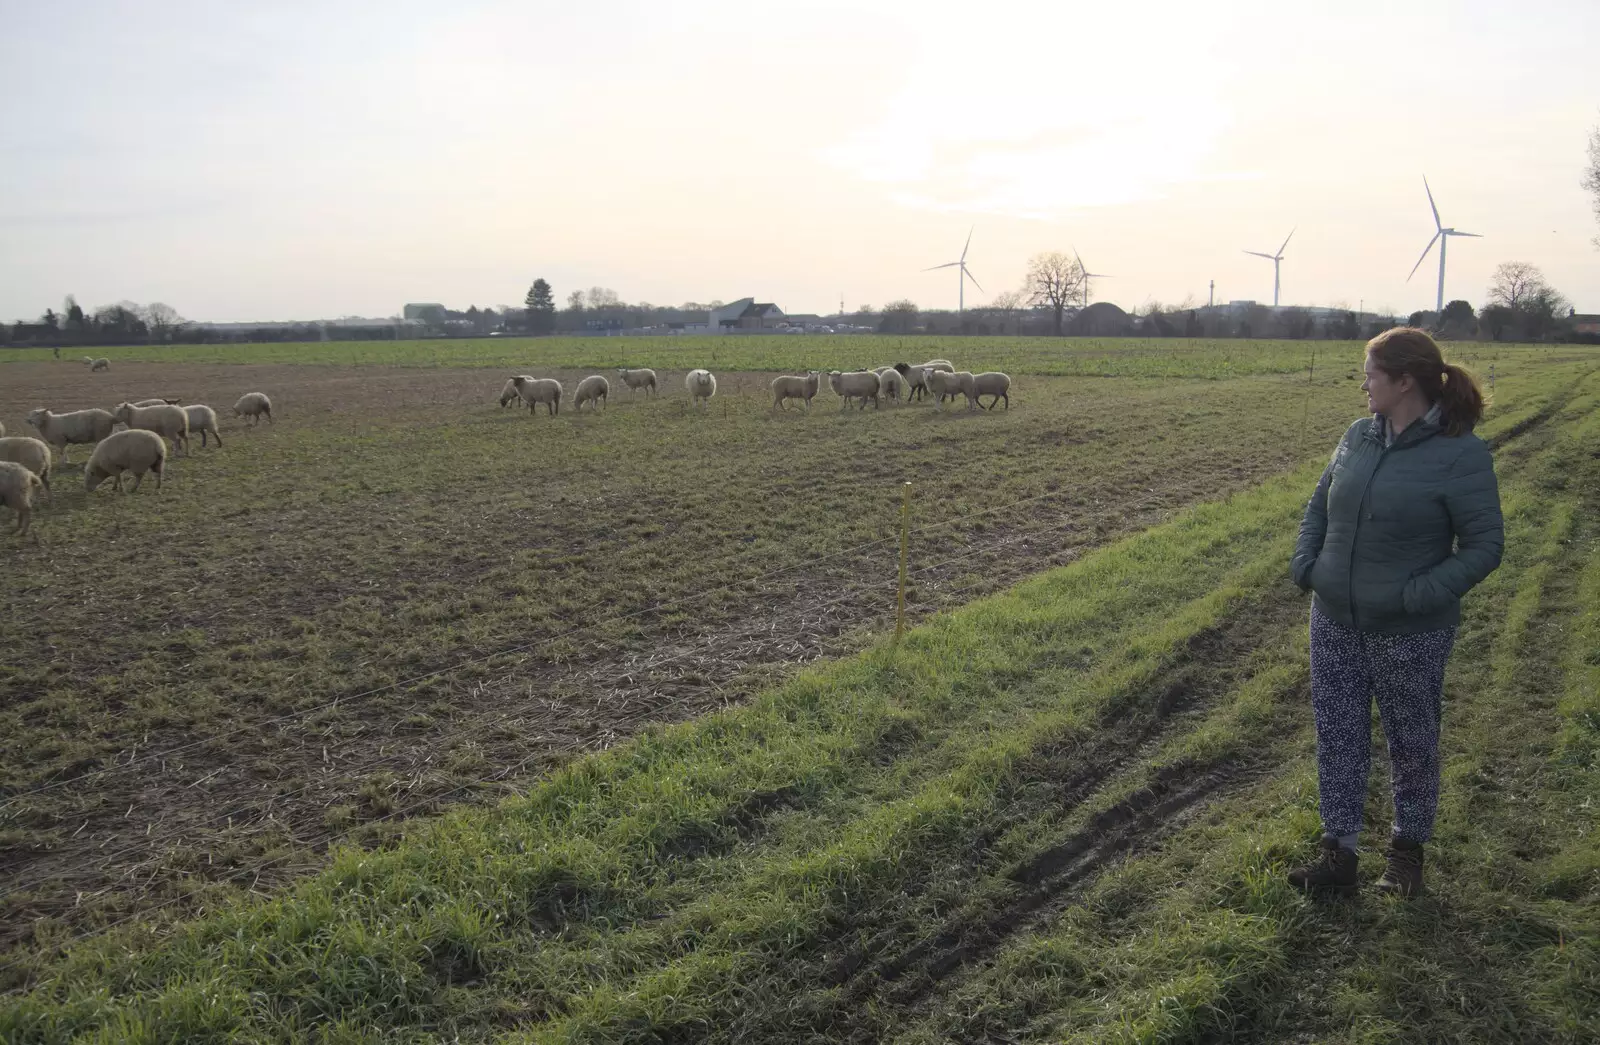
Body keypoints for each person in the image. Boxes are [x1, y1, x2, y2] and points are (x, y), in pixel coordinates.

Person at [1287, 327, 1503, 898]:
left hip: (1411, 631)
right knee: (1337, 735)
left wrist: (1417, 596)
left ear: (1405, 381)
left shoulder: (1461, 453)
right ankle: (1339, 854)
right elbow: (1319, 505)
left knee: (1411, 742)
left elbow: (1484, 546)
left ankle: (1407, 856)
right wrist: (1308, 564)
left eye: (1372, 373)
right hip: (1333, 619)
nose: (1363, 383)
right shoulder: (1357, 436)